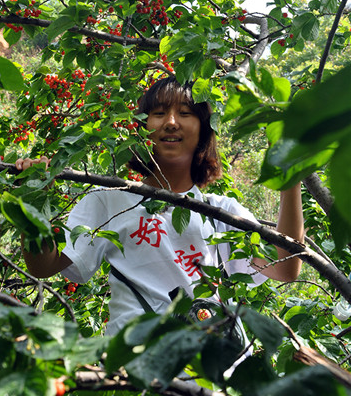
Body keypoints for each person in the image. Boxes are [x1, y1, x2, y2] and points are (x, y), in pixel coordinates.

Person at [18, 77, 304, 337]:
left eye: (185, 113)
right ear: (141, 128)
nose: (171, 122)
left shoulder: (222, 212)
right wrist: (32, 203)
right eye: (158, 113)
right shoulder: (108, 200)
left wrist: (290, 177)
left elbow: (286, 266)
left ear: (203, 130)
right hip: (135, 362)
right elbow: (44, 266)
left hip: (210, 366)